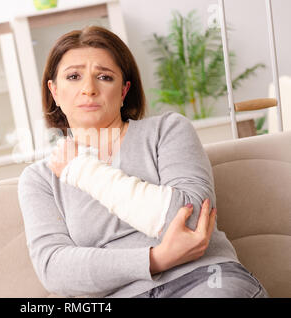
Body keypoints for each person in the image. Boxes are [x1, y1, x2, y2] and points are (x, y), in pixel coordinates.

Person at [17, 26, 268, 298]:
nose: (89, 89)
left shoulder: (167, 131)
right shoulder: (40, 179)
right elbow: (55, 269)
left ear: (124, 90)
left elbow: (193, 219)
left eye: (104, 77)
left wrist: (83, 171)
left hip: (203, 280)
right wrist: (156, 258)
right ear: (54, 90)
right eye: (74, 76)